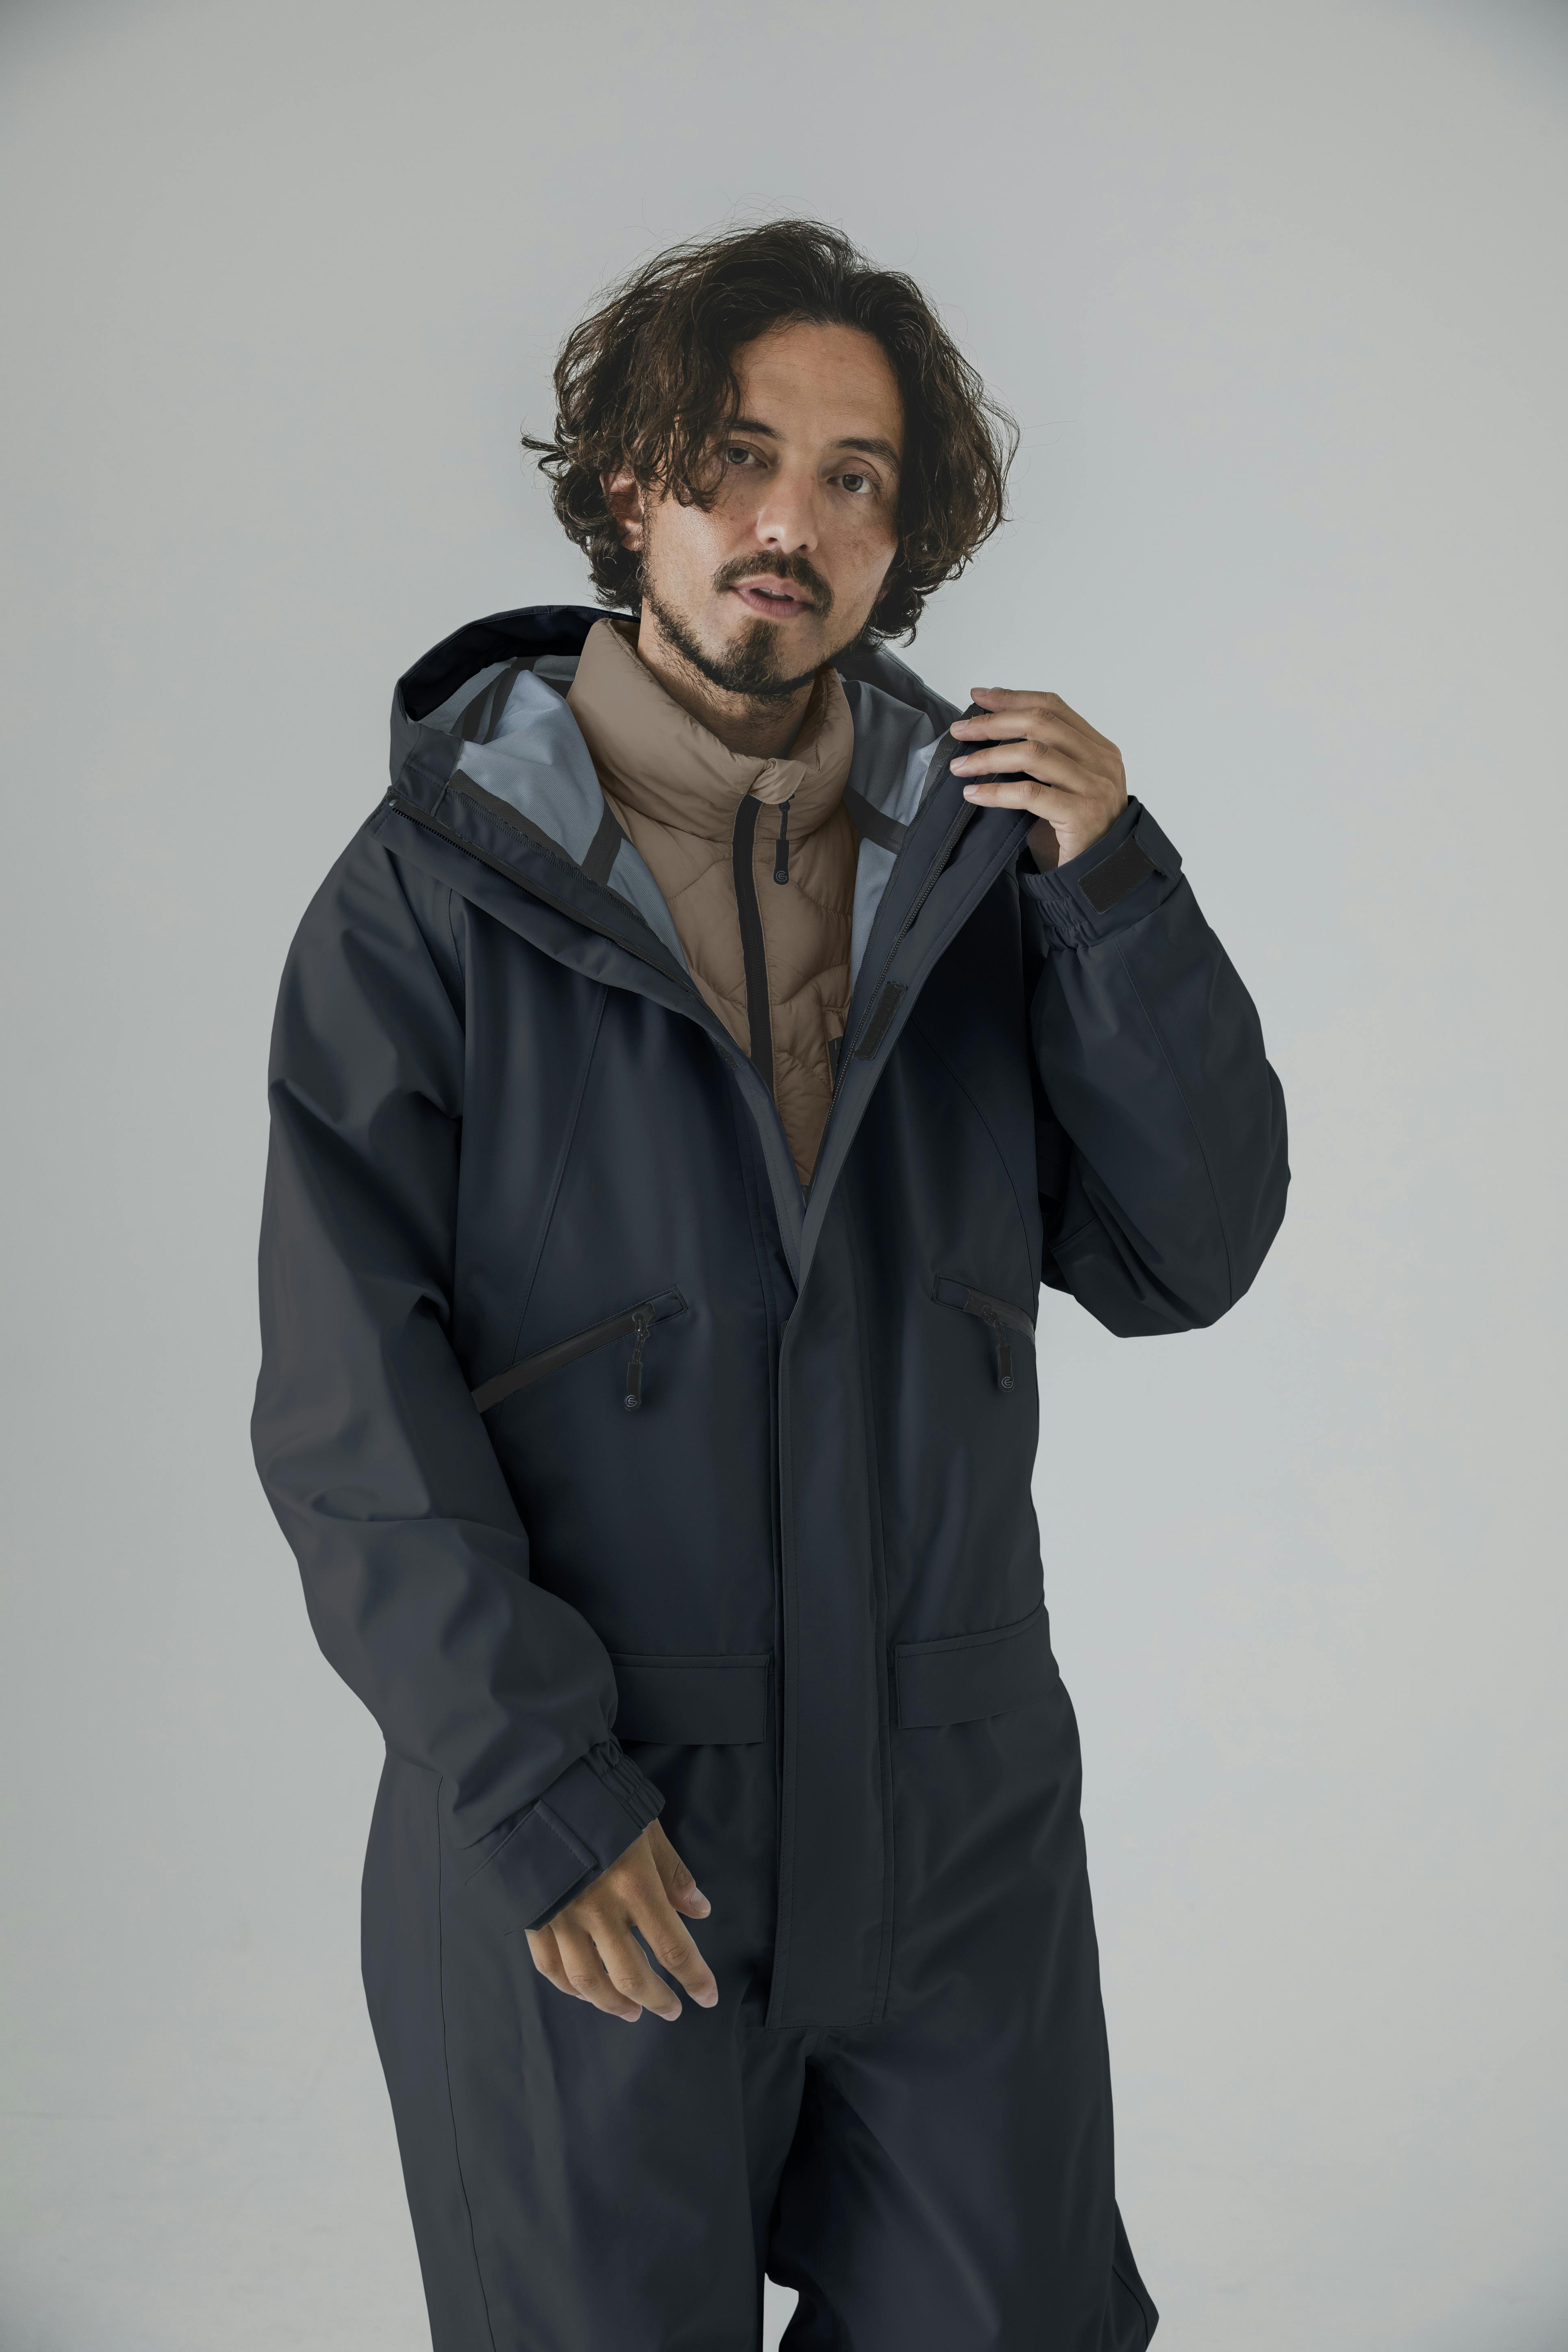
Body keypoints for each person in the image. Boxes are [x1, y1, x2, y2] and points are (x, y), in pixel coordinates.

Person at [251, 217, 1288, 2352]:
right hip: (605, 1825)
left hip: (955, 1826)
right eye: (736, 456)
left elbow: (1187, 1253)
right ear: (631, 479)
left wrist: (1120, 894)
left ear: (907, 536)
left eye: (853, 478)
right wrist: (538, 1792)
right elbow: (353, 1403)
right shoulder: (432, 894)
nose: (788, 524)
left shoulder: (987, 867)